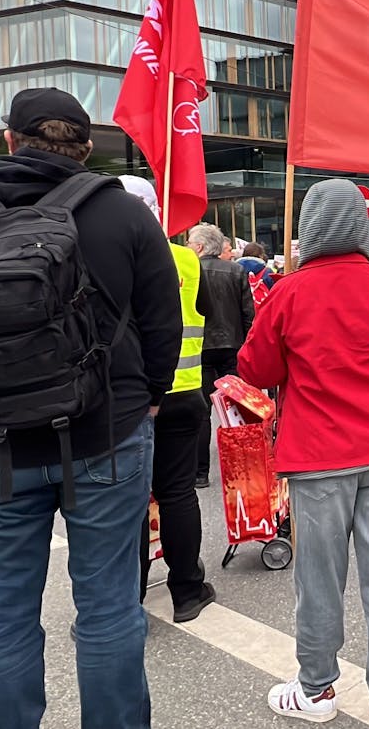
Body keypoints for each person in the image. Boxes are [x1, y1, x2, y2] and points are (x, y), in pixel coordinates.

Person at [0, 87, 181, 727]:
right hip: (107, 433)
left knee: (3, 605)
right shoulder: (123, 212)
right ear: (84, 149)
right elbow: (164, 325)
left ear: (9, 140)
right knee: (109, 605)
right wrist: (149, 399)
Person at [242, 178, 369, 728]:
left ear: (308, 228)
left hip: (316, 457)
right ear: (362, 226)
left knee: (319, 580)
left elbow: (257, 368)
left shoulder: (288, 291)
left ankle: (317, 690)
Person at [117, 182, 217, 623]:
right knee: (178, 493)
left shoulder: (107, 254)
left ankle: (129, 595)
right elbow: (204, 312)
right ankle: (187, 591)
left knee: (130, 501)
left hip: (128, 399)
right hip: (183, 391)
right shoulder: (186, 259)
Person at [191, 223, 255, 489]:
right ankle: (242, 468)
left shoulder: (190, 270)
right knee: (236, 409)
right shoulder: (236, 270)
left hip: (200, 347)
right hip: (233, 346)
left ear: (201, 246)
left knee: (202, 412)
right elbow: (248, 314)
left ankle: (200, 472)